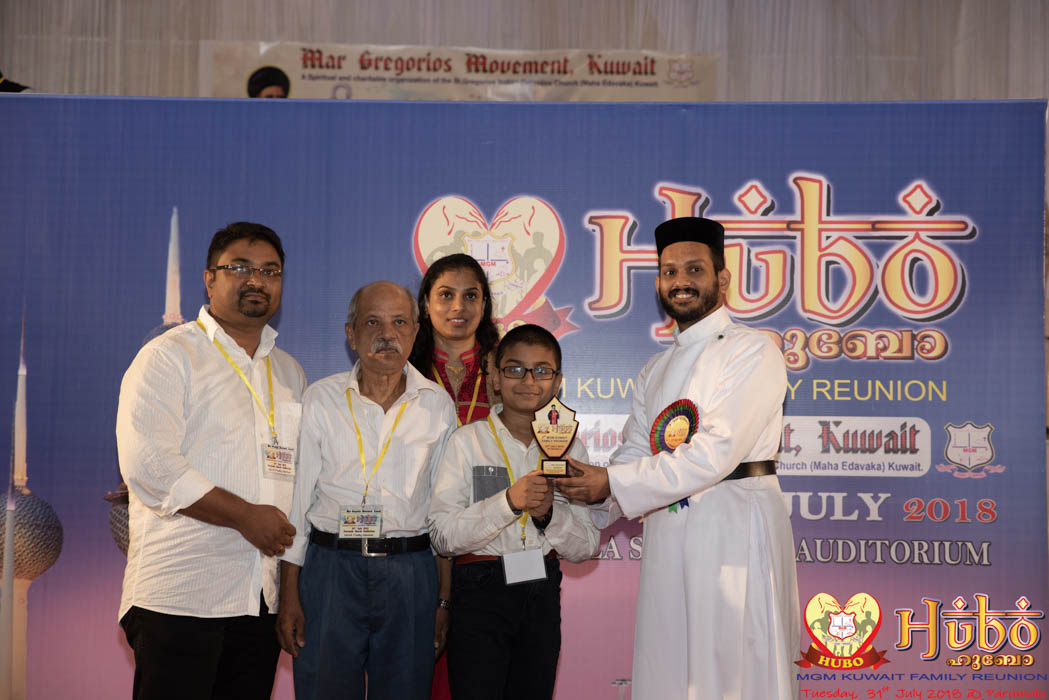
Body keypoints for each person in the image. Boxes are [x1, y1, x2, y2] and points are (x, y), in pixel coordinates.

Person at [558, 217, 800, 699]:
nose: (680, 281)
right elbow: (633, 454)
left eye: (694, 269)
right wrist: (585, 493)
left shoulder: (753, 350)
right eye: (669, 272)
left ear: (722, 278)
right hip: (668, 538)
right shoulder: (656, 368)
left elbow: (715, 452)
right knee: (669, 666)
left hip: (735, 530)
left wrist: (612, 483)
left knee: (737, 670)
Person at [116, 222, 305, 700]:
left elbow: (295, 483)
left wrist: (288, 592)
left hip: (258, 599)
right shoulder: (168, 356)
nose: (256, 280)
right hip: (182, 595)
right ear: (209, 278)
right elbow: (150, 466)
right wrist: (245, 517)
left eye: (270, 271)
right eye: (239, 267)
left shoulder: (289, 371)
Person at [277, 281, 457, 700]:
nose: (387, 334)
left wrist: (443, 601)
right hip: (330, 570)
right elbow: (298, 503)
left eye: (400, 323)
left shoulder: (437, 405)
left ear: (416, 332)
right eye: (373, 322)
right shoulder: (321, 399)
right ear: (351, 333)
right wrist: (289, 595)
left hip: (410, 573)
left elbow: (443, 512)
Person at [428, 324, 600, 700]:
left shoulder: (570, 449)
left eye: (542, 370)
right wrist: (508, 502)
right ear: (495, 377)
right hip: (479, 592)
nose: (528, 381)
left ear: (557, 382)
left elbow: (586, 546)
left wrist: (548, 515)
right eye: (515, 369)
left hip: (541, 589)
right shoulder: (466, 442)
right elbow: (442, 536)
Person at [409, 253, 500, 699]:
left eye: (471, 296)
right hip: (414, 546)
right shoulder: (403, 373)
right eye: (445, 295)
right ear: (425, 304)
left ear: (485, 305)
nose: (458, 307)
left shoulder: (507, 371)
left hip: (488, 547)